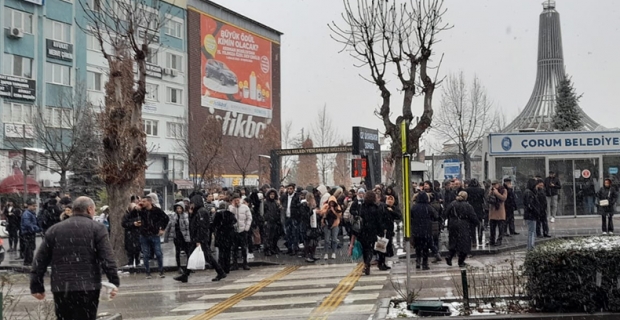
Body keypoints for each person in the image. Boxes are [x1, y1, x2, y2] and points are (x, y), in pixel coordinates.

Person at [30, 196, 119, 320]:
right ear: (89, 209)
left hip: (61, 286)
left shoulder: (54, 229)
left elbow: (40, 260)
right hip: (88, 286)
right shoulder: (97, 229)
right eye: (94, 210)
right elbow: (107, 258)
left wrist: (36, 285)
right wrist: (114, 282)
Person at [175, 195, 227, 282]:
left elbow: (202, 227)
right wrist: (191, 214)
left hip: (200, 239)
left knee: (207, 257)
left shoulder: (201, 212)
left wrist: (199, 240)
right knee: (192, 255)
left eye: (192, 203)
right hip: (196, 238)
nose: (191, 205)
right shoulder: (197, 212)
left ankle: (220, 271)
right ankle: (185, 275)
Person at [348, 191, 382, 275]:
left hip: (363, 231)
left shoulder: (362, 207)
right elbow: (378, 221)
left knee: (364, 249)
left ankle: (366, 263)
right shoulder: (376, 208)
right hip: (372, 231)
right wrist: (380, 231)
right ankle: (367, 263)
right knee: (370, 249)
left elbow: (359, 218)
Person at [138, 193, 169, 279]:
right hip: (144, 235)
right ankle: (147, 272)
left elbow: (166, 218)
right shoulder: (141, 211)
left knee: (158, 253)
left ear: (149, 202)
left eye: (144, 201)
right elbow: (131, 216)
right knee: (146, 254)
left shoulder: (156, 210)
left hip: (154, 234)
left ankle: (161, 271)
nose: (142, 203)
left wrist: (162, 228)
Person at [444, 191, 479, 267]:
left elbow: (446, 213)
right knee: (464, 243)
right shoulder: (467, 206)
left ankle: (449, 256)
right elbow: (473, 216)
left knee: (453, 242)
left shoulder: (452, 204)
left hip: (452, 224)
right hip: (463, 225)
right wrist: (477, 223)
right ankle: (461, 261)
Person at [411, 192, 437, 270]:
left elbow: (410, 216)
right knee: (425, 248)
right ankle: (425, 263)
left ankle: (418, 261)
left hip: (416, 230)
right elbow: (435, 216)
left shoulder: (414, 207)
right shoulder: (428, 207)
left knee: (418, 247)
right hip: (426, 230)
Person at [212, 203, 237, 274]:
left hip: (221, 235)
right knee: (228, 252)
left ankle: (222, 267)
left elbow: (214, 224)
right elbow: (235, 221)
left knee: (221, 252)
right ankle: (227, 267)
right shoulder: (230, 214)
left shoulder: (218, 214)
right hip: (228, 235)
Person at [378, 195, 401, 270]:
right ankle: (380, 263)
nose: (390, 201)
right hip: (384, 230)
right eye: (388, 199)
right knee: (382, 247)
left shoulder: (393, 208)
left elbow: (398, 216)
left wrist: (392, 211)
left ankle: (382, 262)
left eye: (392, 199)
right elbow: (380, 218)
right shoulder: (382, 207)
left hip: (389, 230)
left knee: (386, 247)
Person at [166, 202, 191, 273]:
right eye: (177, 208)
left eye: (180, 208)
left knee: (187, 252)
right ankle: (179, 267)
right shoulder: (173, 216)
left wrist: (189, 237)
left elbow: (188, 227)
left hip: (184, 237)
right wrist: (166, 237)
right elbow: (169, 226)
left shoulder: (186, 216)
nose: (179, 210)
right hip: (177, 236)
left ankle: (188, 267)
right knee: (177, 252)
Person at [230, 194, 253, 271]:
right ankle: (234, 263)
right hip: (234, 231)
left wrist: (246, 228)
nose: (236, 202)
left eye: (237, 200)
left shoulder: (245, 207)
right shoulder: (231, 208)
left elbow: (249, 218)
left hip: (243, 230)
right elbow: (229, 218)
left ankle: (245, 263)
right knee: (234, 248)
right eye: (235, 200)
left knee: (244, 247)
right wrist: (233, 207)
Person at [319, 195, 342, 260]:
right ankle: (326, 253)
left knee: (334, 239)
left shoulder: (337, 207)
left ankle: (334, 252)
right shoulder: (326, 206)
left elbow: (339, 216)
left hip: (335, 224)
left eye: (333, 202)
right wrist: (327, 210)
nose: (331, 204)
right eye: (330, 202)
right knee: (326, 240)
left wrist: (334, 211)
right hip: (327, 224)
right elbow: (321, 213)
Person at [300, 193, 321, 262]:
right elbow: (305, 216)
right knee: (308, 242)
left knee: (313, 242)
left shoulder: (312, 206)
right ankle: (308, 256)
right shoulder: (304, 206)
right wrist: (312, 211)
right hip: (306, 226)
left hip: (313, 226)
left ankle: (312, 255)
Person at [281, 183, 301, 255]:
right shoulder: (285, 196)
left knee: (294, 233)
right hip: (287, 217)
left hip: (294, 217)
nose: (289, 190)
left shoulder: (296, 197)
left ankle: (294, 248)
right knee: (288, 234)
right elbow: (282, 203)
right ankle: (289, 248)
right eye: (288, 189)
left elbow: (298, 206)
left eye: (291, 189)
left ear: (293, 189)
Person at [465, 179, 486, 247]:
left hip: (470, 209)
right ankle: (480, 240)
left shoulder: (467, 190)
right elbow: (483, 199)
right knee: (480, 225)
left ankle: (473, 241)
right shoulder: (481, 190)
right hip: (479, 210)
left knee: (472, 227)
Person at [487, 181, 508, 246]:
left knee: (501, 228)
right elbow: (487, 199)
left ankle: (499, 240)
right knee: (492, 228)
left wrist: (497, 193)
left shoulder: (503, 190)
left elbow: (503, 198)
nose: (494, 186)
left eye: (495, 184)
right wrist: (490, 193)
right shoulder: (491, 190)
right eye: (492, 185)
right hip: (492, 212)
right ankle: (492, 240)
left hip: (500, 212)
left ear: (498, 184)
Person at [21, 199, 40, 266]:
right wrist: (36, 229)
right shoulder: (27, 214)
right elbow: (28, 224)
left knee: (30, 247)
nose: (35, 207)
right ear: (29, 206)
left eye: (35, 206)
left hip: (30, 232)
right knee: (29, 248)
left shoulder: (31, 213)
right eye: (33, 206)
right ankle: (28, 262)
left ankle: (29, 261)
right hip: (28, 233)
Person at [263, 189, 283, 256]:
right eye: (271, 194)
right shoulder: (265, 203)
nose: (272, 196)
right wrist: (265, 219)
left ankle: (272, 248)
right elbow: (262, 212)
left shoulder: (275, 203)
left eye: (273, 194)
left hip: (274, 221)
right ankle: (267, 249)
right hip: (268, 221)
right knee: (267, 236)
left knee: (273, 236)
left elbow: (277, 211)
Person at [121, 202, 141, 267]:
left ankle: (138, 262)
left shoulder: (139, 215)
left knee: (137, 250)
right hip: (130, 235)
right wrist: (133, 224)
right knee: (130, 251)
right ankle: (130, 263)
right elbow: (124, 224)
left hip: (137, 234)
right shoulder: (127, 216)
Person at [523, 179, 540, 251]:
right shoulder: (529, 193)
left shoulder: (528, 192)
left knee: (531, 231)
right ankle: (531, 246)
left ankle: (530, 246)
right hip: (531, 215)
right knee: (532, 231)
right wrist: (536, 211)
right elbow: (530, 205)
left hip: (529, 214)